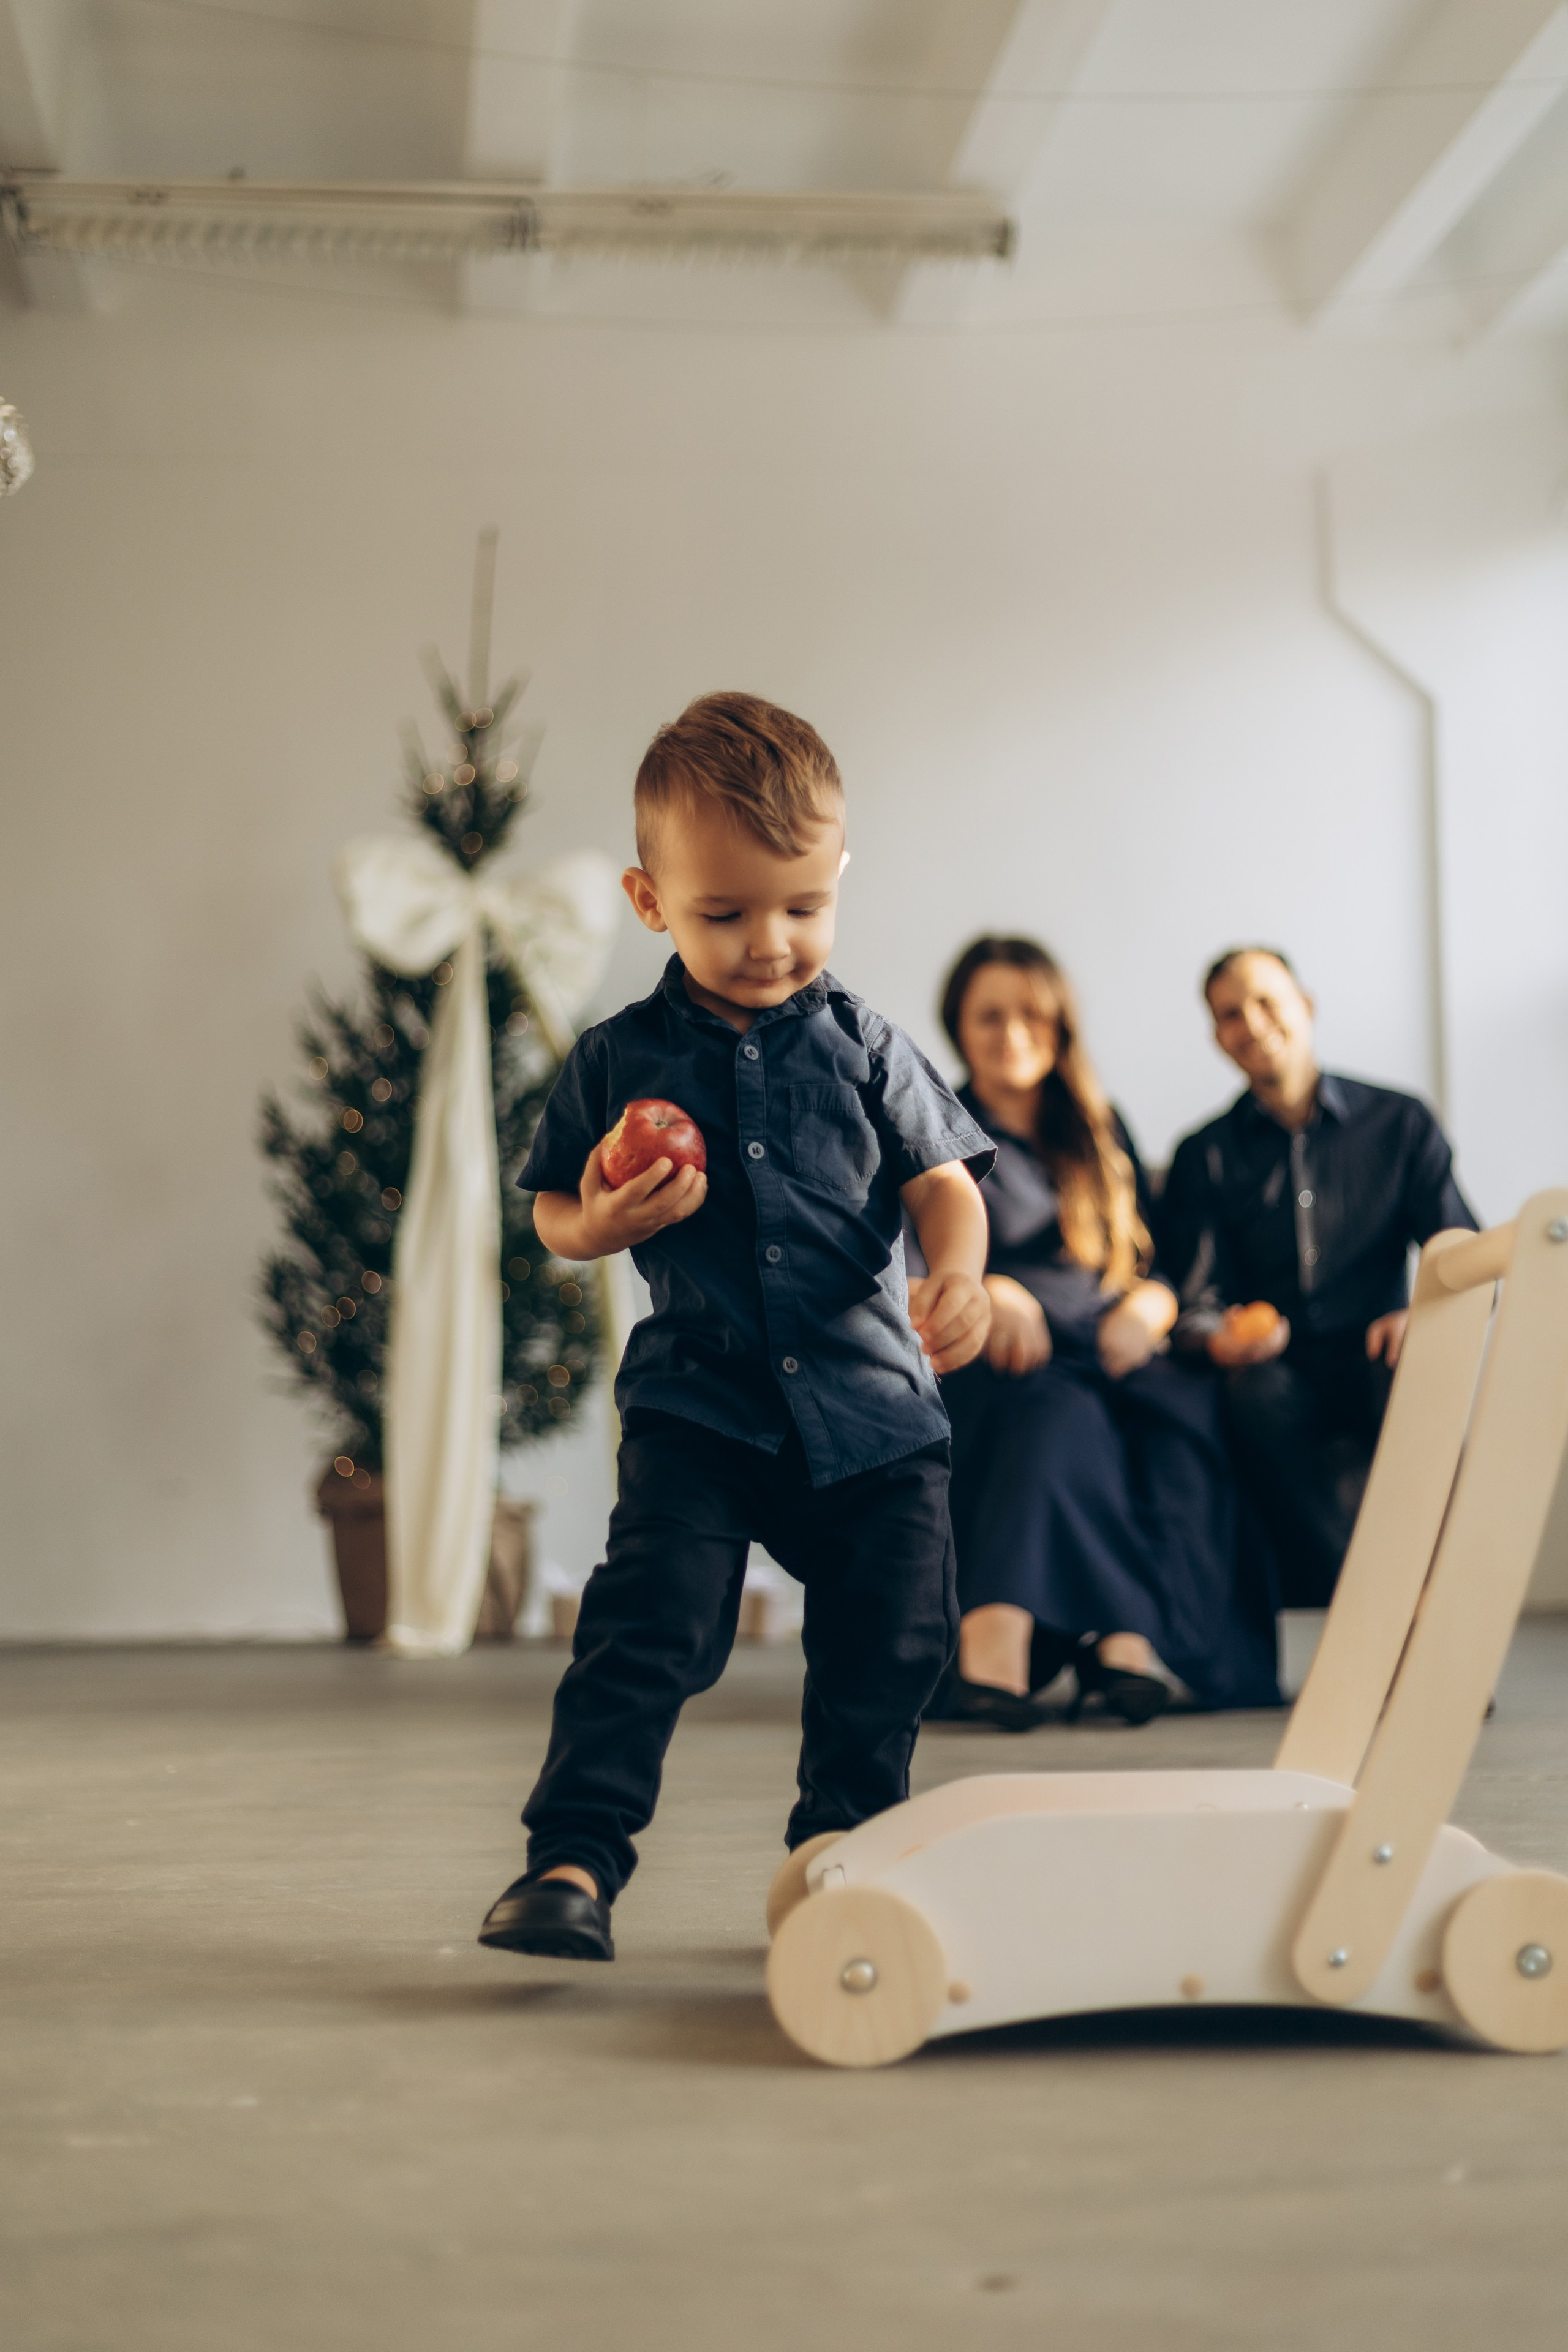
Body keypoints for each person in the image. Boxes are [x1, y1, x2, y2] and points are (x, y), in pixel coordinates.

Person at [477, 693, 995, 1964]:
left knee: (896, 1632)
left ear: (835, 882)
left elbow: (944, 1184)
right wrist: (595, 1227)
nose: (770, 942)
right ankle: (569, 1860)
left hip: (872, 1412)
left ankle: (844, 1851)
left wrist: (962, 1275)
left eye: (801, 907)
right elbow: (551, 1208)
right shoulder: (615, 1059)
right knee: (648, 1621)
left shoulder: (870, 1046)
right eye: (724, 913)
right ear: (649, 900)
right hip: (697, 1406)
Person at [924, 937, 1281, 1732]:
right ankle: (1021, 1643)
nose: (1013, 1031)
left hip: (1107, 1341)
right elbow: (910, 1255)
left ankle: (1128, 1643)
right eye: (991, 1016)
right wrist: (984, 1287)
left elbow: (1153, 1261)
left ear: (1060, 1026)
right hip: (1006, 1353)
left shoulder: (1096, 1124)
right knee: (1060, 1413)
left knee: (1181, 1411)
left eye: (1031, 1014)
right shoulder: (935, 1128)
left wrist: (1151, 1307)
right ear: (958, 1027)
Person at [1158, 946, 1476, 1607]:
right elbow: (1194, 1301)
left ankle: (1434, 1611)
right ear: (1217, 1036)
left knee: (1418, 1365)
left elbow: (1461, 1252)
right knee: (1249, 1392)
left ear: (1305, 1006)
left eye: (1265, 1001)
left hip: (1377, 1352)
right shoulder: (1204, 1155)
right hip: (1274, 1370)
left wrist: (1428, 1311)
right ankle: (1364, 1609)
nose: (1250, 1023)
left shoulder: (1400, 1122)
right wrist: (1219, 1338)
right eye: (1228, 1014)